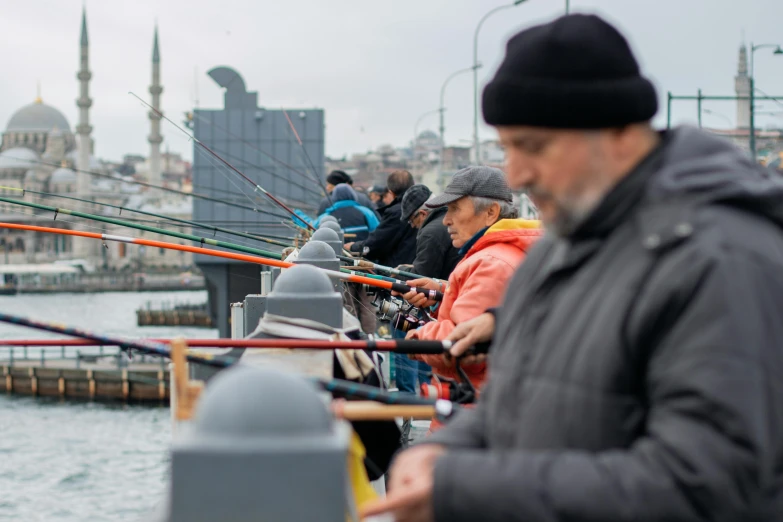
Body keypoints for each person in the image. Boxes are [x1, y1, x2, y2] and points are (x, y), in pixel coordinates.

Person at [363, 13, 783, 522]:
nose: (516, 174)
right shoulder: (563, 246)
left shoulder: (723, 259)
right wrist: (445, 454)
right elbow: (515, 403)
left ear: (619, 134)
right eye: (507, 148)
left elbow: (707, 484)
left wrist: (472, 488)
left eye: (533, 146)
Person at [399, 168, 541, 432]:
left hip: (470, 418)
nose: (446, 221)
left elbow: (460, 342)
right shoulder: (500, 254)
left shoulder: (491, 263)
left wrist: (417, 337)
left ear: (490, 213)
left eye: (454, 209)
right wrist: (443, 296)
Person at [346, 170, 417, 268]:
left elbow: (376, 244)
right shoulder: (421, 207)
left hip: (398, 272)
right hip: (417, 269)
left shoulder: (396, 212)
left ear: (391, 192)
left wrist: (354, 247)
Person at [400, 184, 462, 281]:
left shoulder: (429, 233)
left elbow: (422, 276)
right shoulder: (447, 220)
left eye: (411, 220)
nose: (412, 226)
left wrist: (400, 271)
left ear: (422, 214)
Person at [314, 183, 379, 242]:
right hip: (363, 251)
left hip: (336, 254)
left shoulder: (325, 216)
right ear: (352, 195)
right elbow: (378, 232)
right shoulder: (366, 212)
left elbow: (313, 229)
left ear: (334, 197)